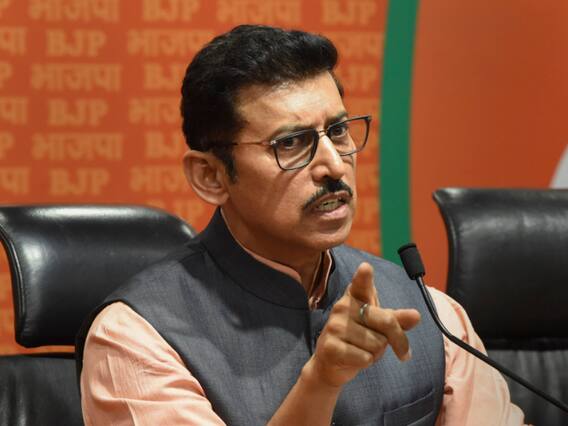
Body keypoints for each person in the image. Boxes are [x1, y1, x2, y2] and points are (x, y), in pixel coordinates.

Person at [77, 25, 526, 425]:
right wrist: (321, 382)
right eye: (291, 143)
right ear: (211, 176)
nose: (334, 165)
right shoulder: (135, 340)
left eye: (338, 131)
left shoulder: (434, 315)